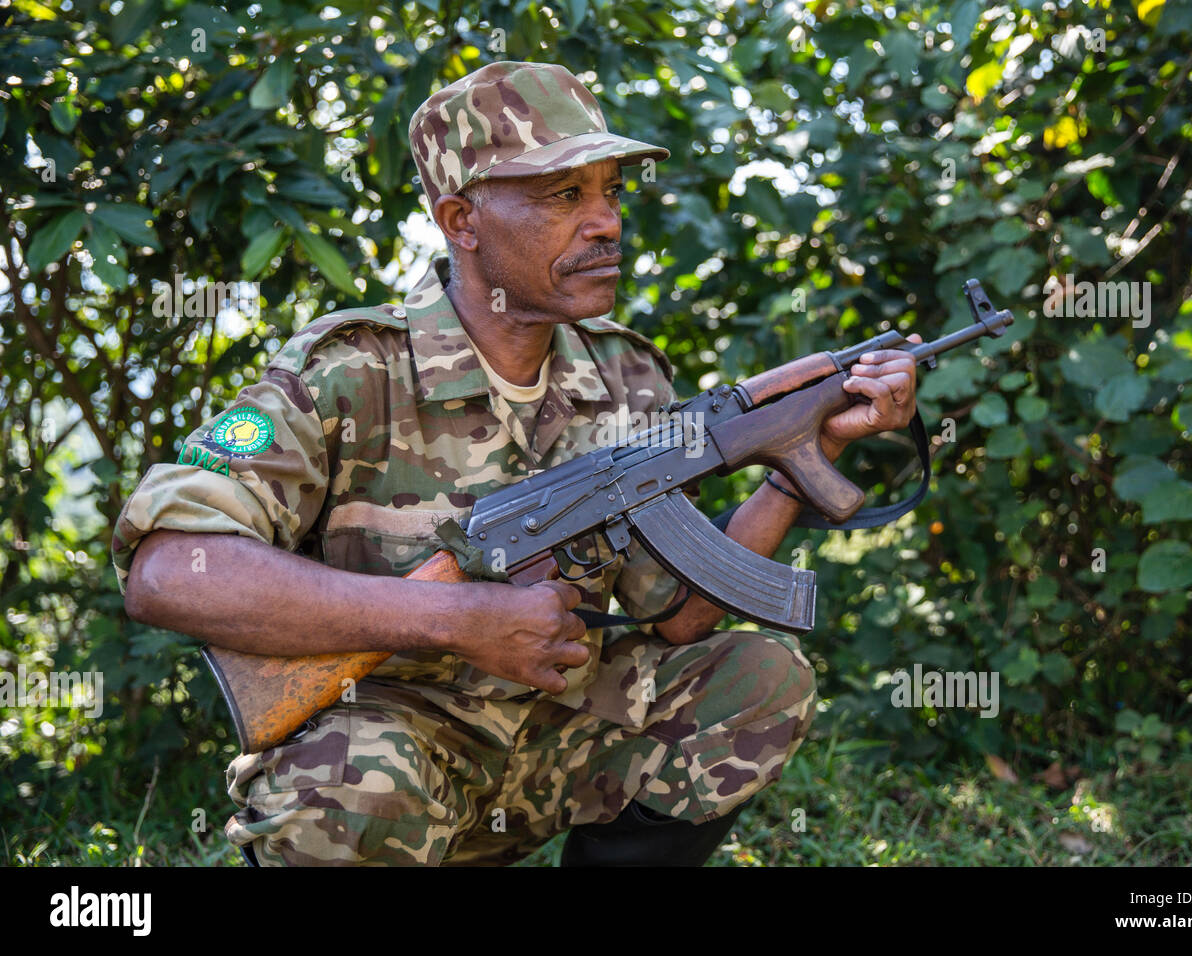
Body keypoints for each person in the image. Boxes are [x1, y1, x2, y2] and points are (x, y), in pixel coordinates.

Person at [113, 61, 920, 866]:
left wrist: (796, 451)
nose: (605, 222)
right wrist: (455, 621)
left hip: (558, 739)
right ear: (462, 220)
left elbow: (681, 615)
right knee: (354, 778)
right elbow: (168, 572)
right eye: (564, 196)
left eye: (611, 191)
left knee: (761, 675)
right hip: (396, 753)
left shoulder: (625, 374)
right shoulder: (349, 372)